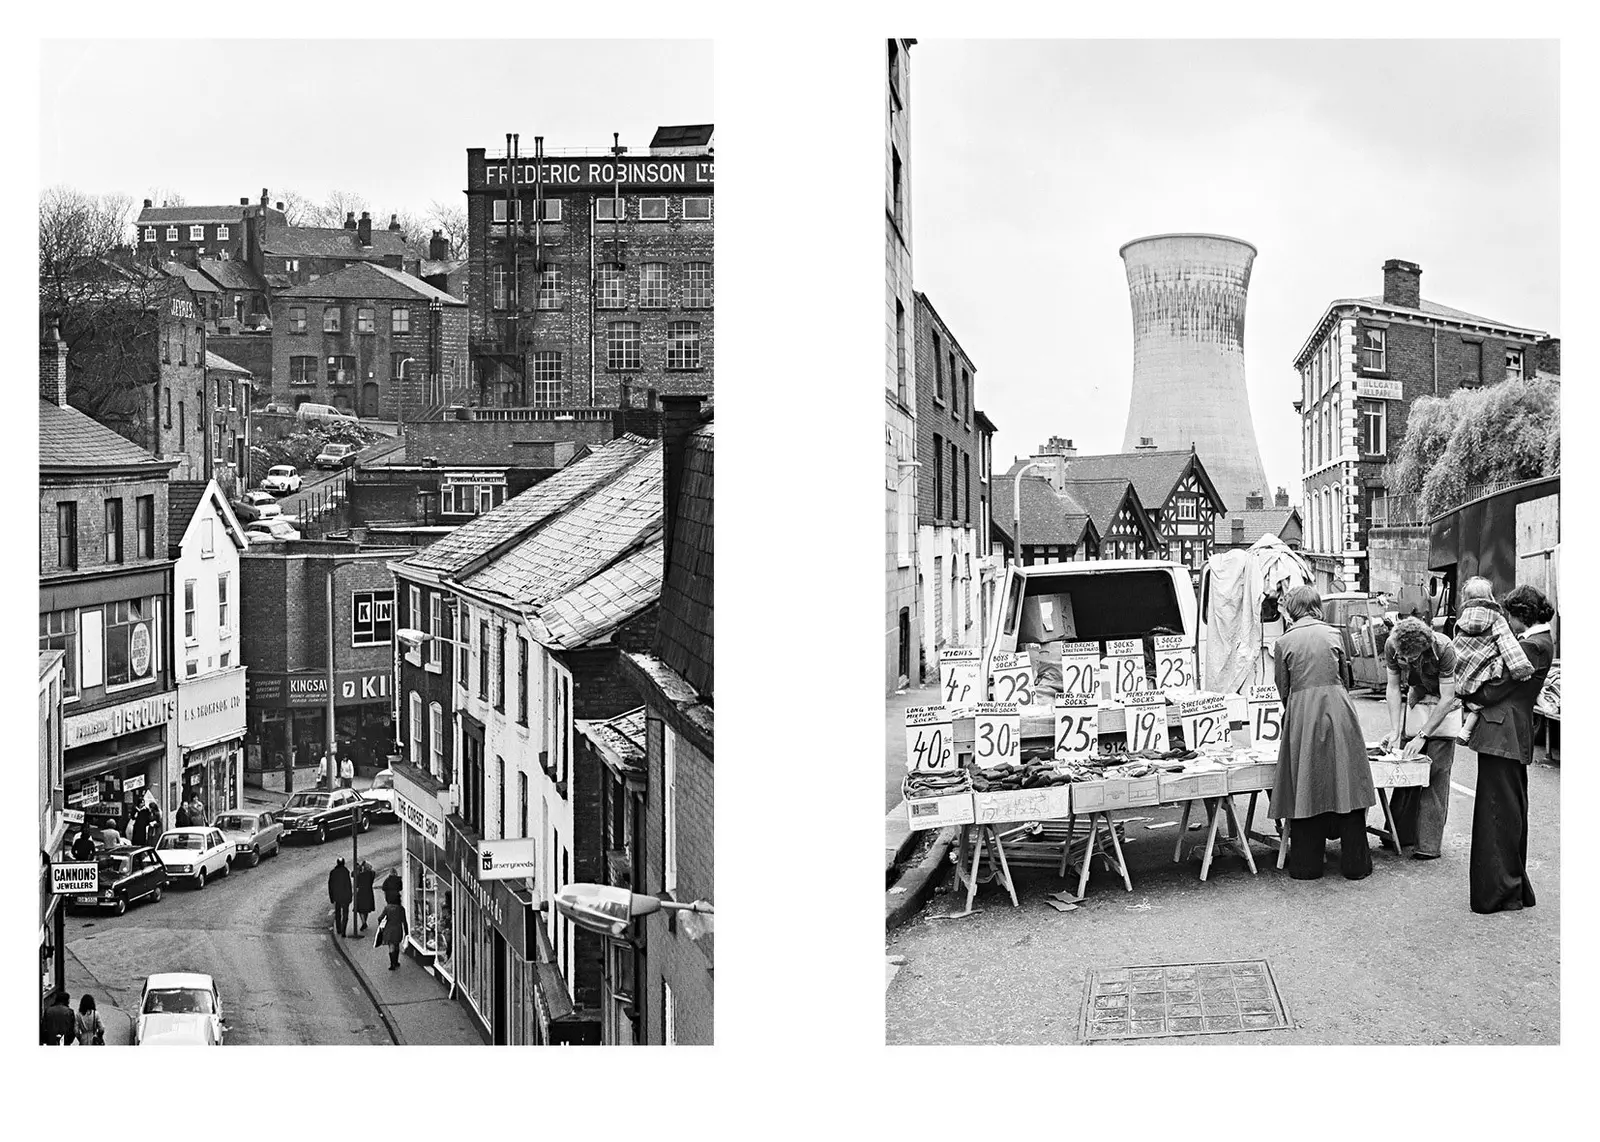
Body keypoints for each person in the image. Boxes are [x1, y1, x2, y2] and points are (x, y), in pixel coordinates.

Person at [1268, 586, 1376, 880]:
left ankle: (1307, 864)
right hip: (1337, 707)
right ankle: (1355, 863)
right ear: (1316, 606)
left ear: (1292, 608)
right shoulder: (1334, 634)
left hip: (1303, 709)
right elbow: (1345, 677)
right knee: (1345, 779)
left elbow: (1283, 687)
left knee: (1306, 780)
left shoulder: (1284, 641)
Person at [1467, 585, 1555, 914]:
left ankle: (1500, 890)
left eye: (1512, 616)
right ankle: (1513, 886)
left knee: (1496, 815)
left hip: (1502, 732)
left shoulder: (1531, 645)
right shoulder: (1541, 642)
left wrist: (1471, 693)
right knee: (1509, 810)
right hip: (1512, 731)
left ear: (1521, 615)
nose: (1508, 622)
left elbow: (1498, 686)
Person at [1382, 616, 1460, 860]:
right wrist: (1395, 730)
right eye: (1402, 658)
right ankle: (1397, 835)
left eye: (1411, 658)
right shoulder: (1391, 645)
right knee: (1407, 770)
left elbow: (1448, 697)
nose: (1405, 662)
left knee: (1435, 773)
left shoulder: (1445, 648)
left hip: (1444, 711)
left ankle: (1427, 844)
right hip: (1417, 703)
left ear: (1425, 647)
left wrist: (1423, 735)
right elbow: (1393, 687)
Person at [1450, 577, 1534, 743]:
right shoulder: (1496, 619)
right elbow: (1508, 645)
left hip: (1466, 669)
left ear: (1465, 598)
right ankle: (1467, 730)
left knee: (1469, 698)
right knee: (1482, 703)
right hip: (1486, 670)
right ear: (1490, 597)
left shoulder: (1461, 620)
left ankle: (1466, 722)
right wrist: (1521, 669)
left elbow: (1458, 646)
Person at [376, 899, 409, 970]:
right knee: (396, 944)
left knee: (391, 945)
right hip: (398, 929)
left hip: (389, 929)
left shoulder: (387, 908)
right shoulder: (401, 909)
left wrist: (380, 925)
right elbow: (404, 921)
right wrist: (406, 932)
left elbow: (380, 918)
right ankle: (396, 961)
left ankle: (392, 964)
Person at [328, 857, 353, 936]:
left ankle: (338, 929)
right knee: (345, 914)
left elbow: (330, 886)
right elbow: (348, 884)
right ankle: (343, 930)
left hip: (337, 897)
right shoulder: (346, 872)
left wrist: (331, 898)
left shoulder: (333, 872)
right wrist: (350, 896)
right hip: (345, 896)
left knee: (338, 914)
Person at [354, 860, 377, 933]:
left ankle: (364, 923)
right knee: (366, 909)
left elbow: (356, 884)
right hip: (369, 892)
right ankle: (364, 922)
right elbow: (372, 871)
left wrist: (360, 867)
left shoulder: (360, 875)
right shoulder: (372, 874)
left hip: (361, 893)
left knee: (360, 909)